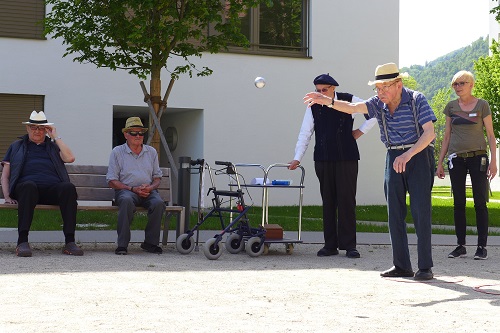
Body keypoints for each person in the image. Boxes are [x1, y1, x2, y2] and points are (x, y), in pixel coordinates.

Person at [303, 63, 436, 280]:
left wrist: (408, 155)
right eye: (377, 88)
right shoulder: (377, 104)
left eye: (384, 87)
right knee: (394, 213)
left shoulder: (416, 99)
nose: (380, 92)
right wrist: (327, 101)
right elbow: (353, 108)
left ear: (399, 84)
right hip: (393, 155)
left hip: (418, 155)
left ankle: (425, 267)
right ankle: (402, 265)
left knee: (421, 213)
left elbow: (429, 133)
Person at [289, 73, 376, 258]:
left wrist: (360, 131)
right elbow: (305, 133)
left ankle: (350, 246)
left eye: (324, 90)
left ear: (333, 88)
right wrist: (297, 157)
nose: (320, 93)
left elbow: (373, 113)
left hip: (347, 157)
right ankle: (330, 245)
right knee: (328, 201)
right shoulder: (313, 105)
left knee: (347, 200)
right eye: (317, 90)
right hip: (323, 158)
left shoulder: (349, 99)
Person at [1, 111, 83, 257]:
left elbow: (70, 158)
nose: (37, 131)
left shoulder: (53, 147)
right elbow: (6, 174)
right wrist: (7, 196)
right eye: (33, 127)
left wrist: (55, 137)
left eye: (41, 128)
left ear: (46, 130)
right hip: (26, 190)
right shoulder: (17, 146)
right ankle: (22, 241)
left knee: (68, 187)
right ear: (27, 129)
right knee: (29, 186)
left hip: (51, 190)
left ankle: (70, 242)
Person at [436, 71, 497, 260]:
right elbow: (446, 136)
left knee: (480, 202)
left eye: (461, 83)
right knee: (459, 203)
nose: (457, 87)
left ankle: (481, 247)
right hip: (456, 159)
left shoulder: (482, 105)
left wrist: (493, 162)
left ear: (471, 84)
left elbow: (491, 135)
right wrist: (439, 163)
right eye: (455, 84)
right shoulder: (451, 107)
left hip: (478, 157)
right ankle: (460, 245)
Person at [106, 117, 165, 255]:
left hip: (148, 191)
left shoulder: (151, 152)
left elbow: (157, 177)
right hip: (126, 190)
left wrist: (150, 188)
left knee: (159, 203)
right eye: (134, 133)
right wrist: (132, 189)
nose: (138, 136)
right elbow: (111, 180)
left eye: (141, 133)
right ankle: (122, 245)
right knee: (126, 201)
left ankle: (150, 243)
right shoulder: (117, 152)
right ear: (126, 134)